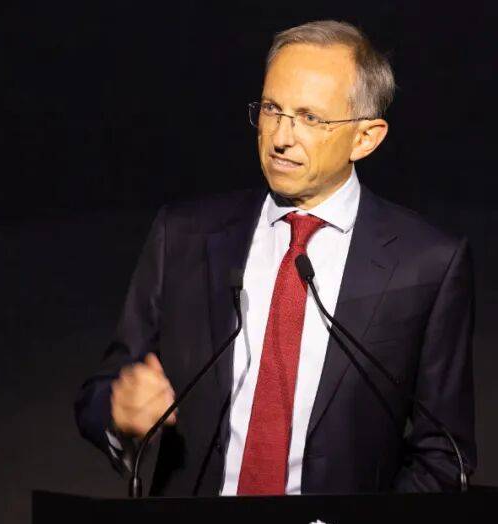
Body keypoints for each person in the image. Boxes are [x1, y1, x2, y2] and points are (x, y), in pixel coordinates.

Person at [75, 20, 475, 496]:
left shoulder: (426, 263)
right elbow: (103, 391)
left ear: (365, 138)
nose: (281, 137)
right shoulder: (184, 236)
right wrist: (120, 412)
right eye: (271, 109)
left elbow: (444, 453)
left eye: (310, 118)